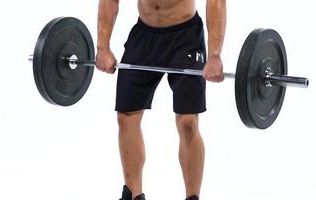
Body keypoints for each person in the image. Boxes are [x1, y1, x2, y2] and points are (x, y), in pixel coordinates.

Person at [96, 0, 226, 199]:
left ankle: (192, 197)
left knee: (188, 122)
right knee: (126, 117)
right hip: (144, 35)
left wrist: (215, 55)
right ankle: (133, 194)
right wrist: (102, 47)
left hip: (186, 37)